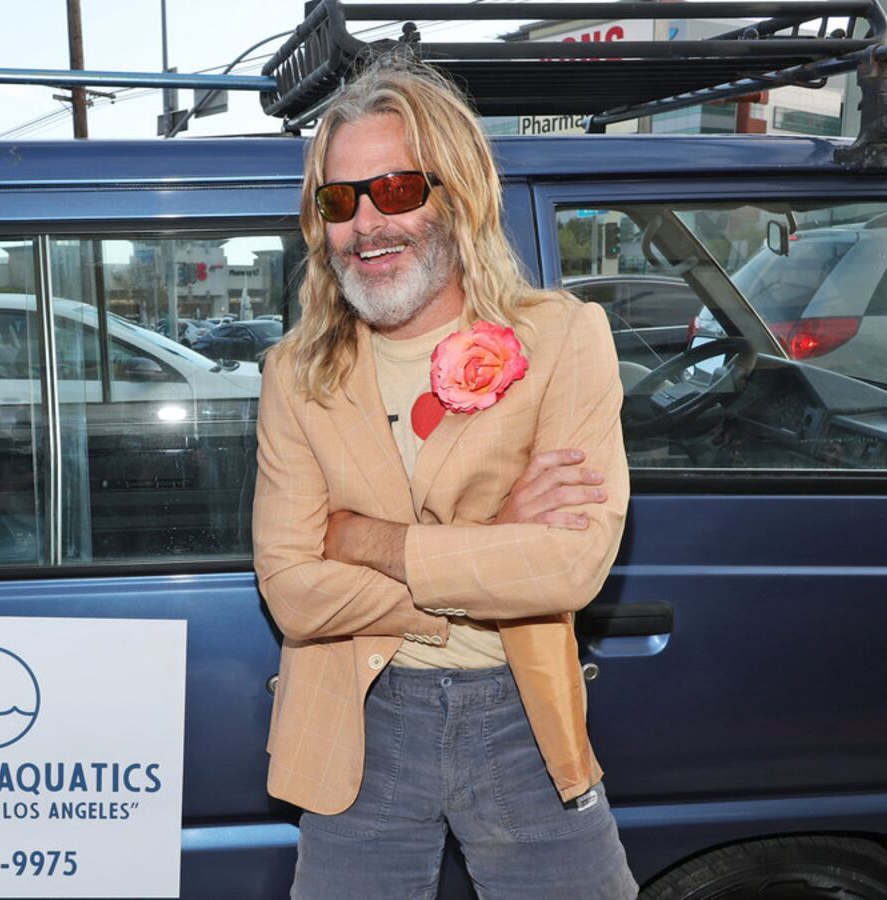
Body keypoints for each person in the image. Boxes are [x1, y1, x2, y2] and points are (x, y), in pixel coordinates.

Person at [252, 55, 638, 899]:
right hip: (358, 718)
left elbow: (571, 566)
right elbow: (292, 590)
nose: (366, 224)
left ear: (456, 196)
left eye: (395, 191)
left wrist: (367, 540)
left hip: (524, 718)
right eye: (339, 200)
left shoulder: (562, 339)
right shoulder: (294, 373)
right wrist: (496, 544)